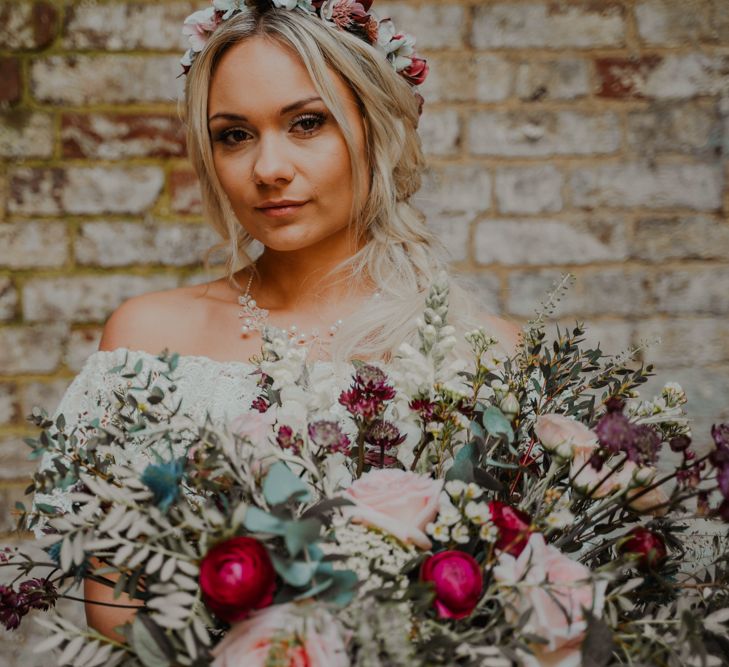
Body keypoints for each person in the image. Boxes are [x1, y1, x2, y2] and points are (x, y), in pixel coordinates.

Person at [34, 0, 521, 643]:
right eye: (234, 135)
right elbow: (117, 614)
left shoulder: (491, 353)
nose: (267, 170)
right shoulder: (147, 341)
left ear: (374, 129)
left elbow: (514, 606)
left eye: (306, 123)